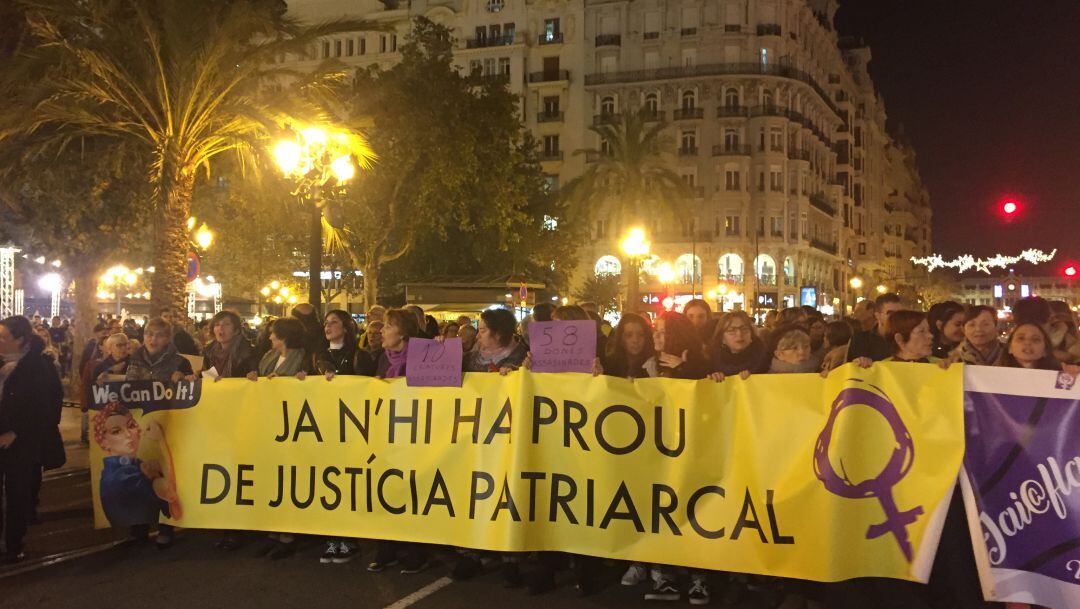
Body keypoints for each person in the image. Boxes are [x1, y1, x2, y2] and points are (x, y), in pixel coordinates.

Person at [368, 309, 430, 574]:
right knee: (389, 488)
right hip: (389, 433)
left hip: (416, 435)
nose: (381, 331)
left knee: (415, 491)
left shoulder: (426, 356)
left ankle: (418, 548)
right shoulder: (383, 358)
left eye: (388, 326)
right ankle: (389, 546)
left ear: (402, 332)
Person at [0, 316, 64, 563]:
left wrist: (15, 432)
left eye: (3, 337)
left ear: (20, 340)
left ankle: (14, 544)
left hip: (23, 443)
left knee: (18, 493)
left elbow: (47, 408)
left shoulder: (39, 366)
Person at [247, 318, 311, 560]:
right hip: (269, 425)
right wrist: (255, 379)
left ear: (284, 336)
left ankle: (289, 534)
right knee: (271, 478)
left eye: (274, 335)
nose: (270, 338)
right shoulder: (267, 358)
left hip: (292, 427)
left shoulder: (303, 358)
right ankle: (273, 531)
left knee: (289, 479)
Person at [316, 310, 373, 565]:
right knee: (326, 483)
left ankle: (349, 539)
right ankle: (331, 537)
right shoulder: (318, 356)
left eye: (334, 322)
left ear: (347, 327)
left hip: (352, 429)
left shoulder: (359, 356)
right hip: (323, 427)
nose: (328, 326)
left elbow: (367, 387)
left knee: (348, 484)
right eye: (326, 323)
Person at [708, 311, 770, 379]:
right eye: (731, 330)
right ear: (722, 338)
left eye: (744, 329)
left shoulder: (767, 359)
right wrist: (714, 378)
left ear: (751, 334)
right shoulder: (711, 361)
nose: (739, 334)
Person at [463, 308, 528, 373]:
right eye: (478, 331)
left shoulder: (522, 360)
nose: (477, 336)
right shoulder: (471, 356)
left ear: (499, 334)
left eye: (482, 331)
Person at [201, 310, 257, 381]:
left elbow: (255, 375)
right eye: (217, 325)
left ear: (236, 330)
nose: (221, 328)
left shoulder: (248, 353)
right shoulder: (208, 352)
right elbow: (202, 376)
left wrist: (252, 376)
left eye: (226, 324)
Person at [846, 293, 902, 362]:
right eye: (890, 313)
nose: (896, 317)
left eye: (900, 313)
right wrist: (859, 362)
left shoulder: (907, 339)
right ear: (877, 315)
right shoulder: (860, 341)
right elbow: (850, 369)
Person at [602, 313, 655, 379]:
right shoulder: (609, 365)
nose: (635, 340)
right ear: (621, 339)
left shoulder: (653, 366)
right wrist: (599, 374)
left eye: (640, 335)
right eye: (629, 335)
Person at [997, 323, 1067, 371]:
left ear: (1045, 350)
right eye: (1021, 338)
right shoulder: (994, 375)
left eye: (1035, 339)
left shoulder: (1060, 375)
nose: (1027, 343)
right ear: (1010, 348)